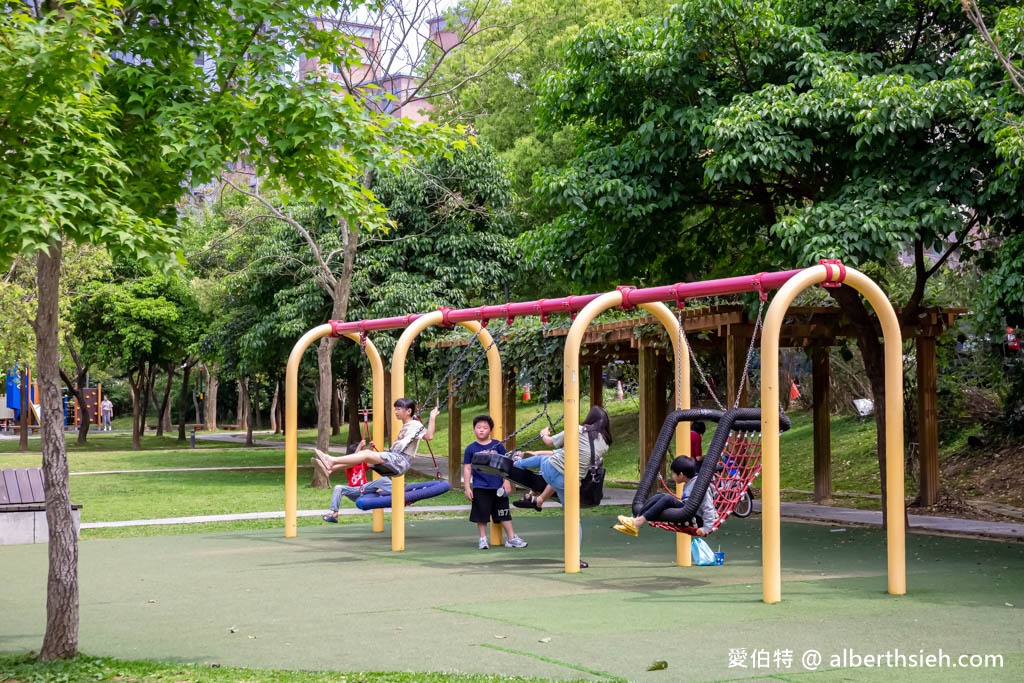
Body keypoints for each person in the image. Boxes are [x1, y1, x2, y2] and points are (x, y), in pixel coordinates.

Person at [509, 405, 613, 568]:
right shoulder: (605, 443)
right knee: (574, 520)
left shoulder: (577, 430)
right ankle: (575, 557)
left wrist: (544, 433)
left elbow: (549, 442)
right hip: (569, 483)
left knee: (544, 459)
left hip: (552, 472)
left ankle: (516, 463)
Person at [312, 398, 439, 479]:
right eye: (395, 409)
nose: (395, 411)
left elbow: (429, 436)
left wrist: (432, 417)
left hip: (401, 461)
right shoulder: (405, 425)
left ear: (408, 411)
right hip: (395, 459)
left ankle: (331, 460)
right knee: (364, 457)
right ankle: (331, 469)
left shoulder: (415, 424)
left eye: (399, 409)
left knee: (366, 454)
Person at [462, 414, 527, 549]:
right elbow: (467, 468)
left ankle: (511, 538)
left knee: (504, 513)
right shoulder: (470, 449)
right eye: (478, 427)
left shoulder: (497, 446)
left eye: (485, 428)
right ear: (474, 430)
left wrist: (507, 481)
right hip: (480, 487)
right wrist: (467, 487)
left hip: (498, 486)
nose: (481, 430)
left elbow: (505, 465)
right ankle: (482, 539)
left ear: (490, 430)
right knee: (481, 515)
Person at [613, 455, 717, 537]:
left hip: (696, 520)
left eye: (673, 474)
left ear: (681, 475)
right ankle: (635, 520)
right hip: (688, 514)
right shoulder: (689, 483)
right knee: (659, 496)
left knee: (667, 498)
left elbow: (708, 507)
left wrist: (706, 528)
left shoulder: (699, 486)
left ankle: (638, 522)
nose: (673, 476)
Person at [321, 477, 392, 523]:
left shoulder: (362, 462)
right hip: (355, 490)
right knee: (338, 488)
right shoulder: (350, 464)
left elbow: (370, 461)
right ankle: (334, 513)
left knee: (383, 479)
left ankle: (398, 489)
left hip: (364, 488)